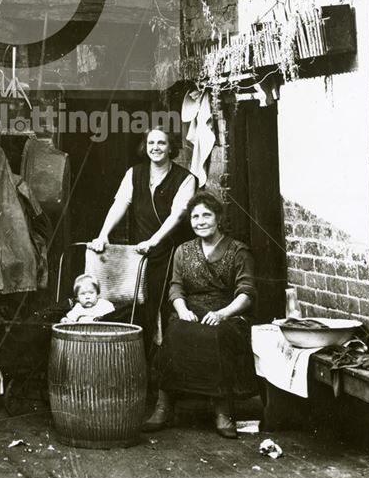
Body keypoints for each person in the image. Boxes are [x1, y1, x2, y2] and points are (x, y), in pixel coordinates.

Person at [143, 190, 258, 439]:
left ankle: (222, 410)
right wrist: (182, 310)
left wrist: (222, 314)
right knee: (174, 332)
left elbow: (247, 293)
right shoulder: (183, 251)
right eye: (195, 217)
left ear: (218, 219)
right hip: (190, 310)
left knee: (215, 336)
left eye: (207, 215)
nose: (200, 221)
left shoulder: (238, 251)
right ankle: (164, 406)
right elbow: (175, 287)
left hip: (227, 313)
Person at [89, 128, 197, 355]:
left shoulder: (185, 179)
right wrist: (103, 234)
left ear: (171, 148)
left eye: (161, 143)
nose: (155, 148)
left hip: (171, 253)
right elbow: (120, 203)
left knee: (163, 304)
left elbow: (177, 214)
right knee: (139, 304)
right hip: (141, 253)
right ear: (145, 147)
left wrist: (154, 240)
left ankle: (161, 362)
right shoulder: (134, 173)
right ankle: (141, 360)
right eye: (151, 143)